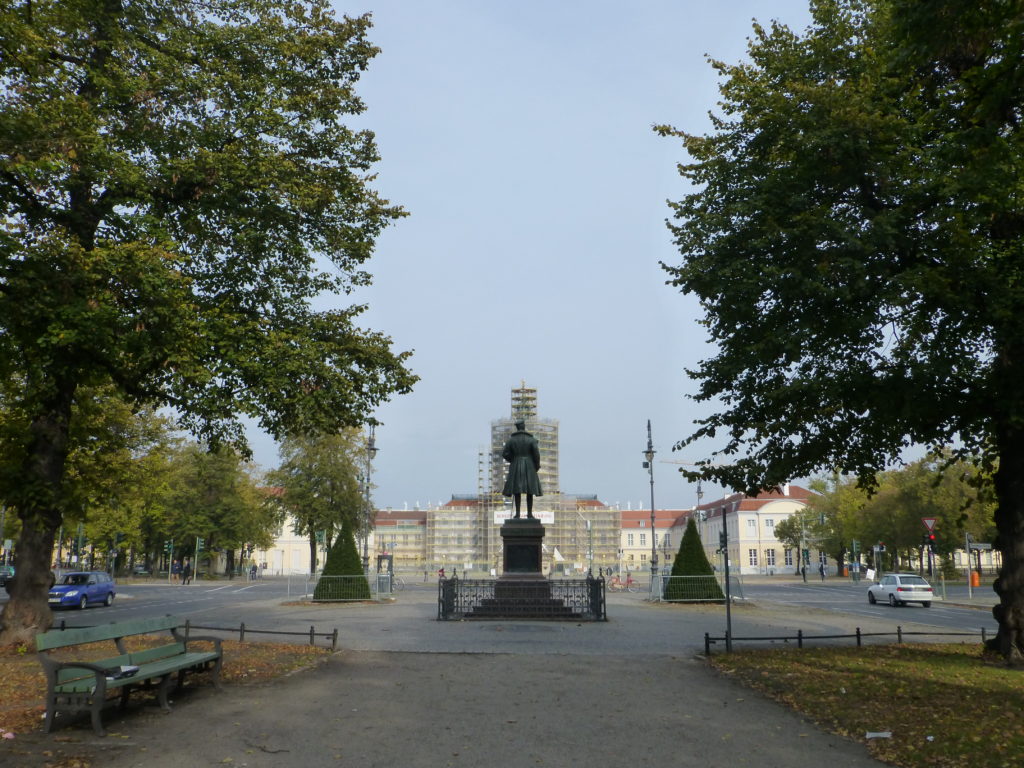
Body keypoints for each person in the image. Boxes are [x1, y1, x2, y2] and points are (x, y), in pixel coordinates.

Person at [501, 419, 543, 519]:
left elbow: (504, 454)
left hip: (516, 465)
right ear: (523, 426)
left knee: (517, 490)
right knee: (530, 490)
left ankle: (518, 514)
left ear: (517, 427)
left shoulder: (511, 440)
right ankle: (529, 514)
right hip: (529, 466)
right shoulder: (531, 440)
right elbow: (537, 455)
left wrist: (513, 460)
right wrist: (536, 465)